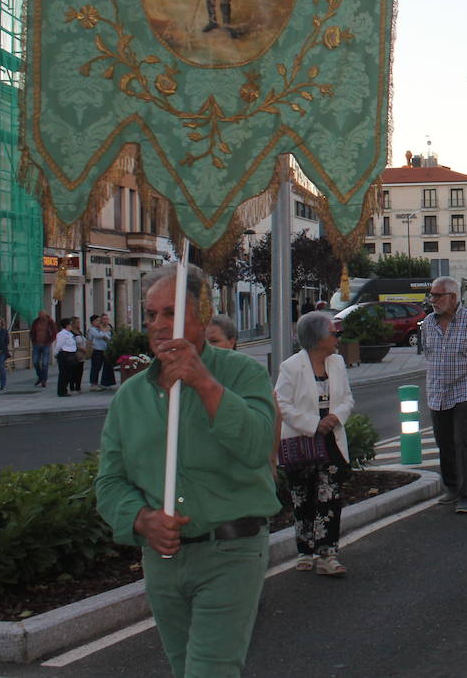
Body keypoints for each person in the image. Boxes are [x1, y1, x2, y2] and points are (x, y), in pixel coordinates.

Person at [95, 263, 278, 677]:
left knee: (209, 670)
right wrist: (141, 519)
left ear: (203, 315)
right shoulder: (130, 397)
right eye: (151, 314)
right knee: (183, 669)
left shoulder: (242, 373)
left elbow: (256, 447)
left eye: (171, 313)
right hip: (163, 559)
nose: (158, 324)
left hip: (231, 551)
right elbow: (109, 481)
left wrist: (205, 384)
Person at [275, 311, 354, 576]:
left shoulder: (338, 363)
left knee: (329, 496)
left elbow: (347, 398)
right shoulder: (291, 367)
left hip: (331, 439)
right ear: (318, 338)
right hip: (302, 439)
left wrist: (335, 417)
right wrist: (312, 423)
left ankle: (327, 554)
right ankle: (304, 550)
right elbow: (281, 404)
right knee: (303, 497)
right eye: (334, 333)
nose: (338, 337)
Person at [420, 275, 467, 514]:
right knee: (443, 442)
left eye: (437, 295)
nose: (432, 300)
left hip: (464, 390)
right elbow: (427, 353)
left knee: (462, 443)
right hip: (437, 391)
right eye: (431, 295)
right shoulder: (428, 323)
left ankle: (464, 495)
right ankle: (451, 487)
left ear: (452, 297)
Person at [87, 313, 115, 391]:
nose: (99, 322)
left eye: (99, 320)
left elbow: (110, 337)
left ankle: (105, 383)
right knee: (96, 367)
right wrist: (103, 332)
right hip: (97, 350)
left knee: (107, 367)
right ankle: (93, 384)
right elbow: (100, 336)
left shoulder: (105, 328)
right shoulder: (92, 329)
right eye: (97, 320)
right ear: (92, 322)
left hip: (105, 350)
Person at [30, 311, 57, 388]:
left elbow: (54, 332)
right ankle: (40, 376)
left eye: (42, 316)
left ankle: (44, 380)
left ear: (45, 315)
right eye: (40, 316)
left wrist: (50, 342)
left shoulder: (50, 322)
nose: (41, 318)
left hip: (46, 344)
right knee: (35, 361)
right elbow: (32, 331)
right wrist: (33, 340)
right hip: (36, 344)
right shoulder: (36, 321)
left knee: (45, 363)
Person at [54, 317, 79, 398]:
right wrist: (56, 353)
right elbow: (59, 345)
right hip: (65, 354)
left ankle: (65, 389)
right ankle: (61, 391)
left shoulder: (70, 334)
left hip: (71, 354)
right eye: (70, 324)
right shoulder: (62, 334)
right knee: (63, 374)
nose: (71, 326)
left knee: (68, 374)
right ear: (66, 325)